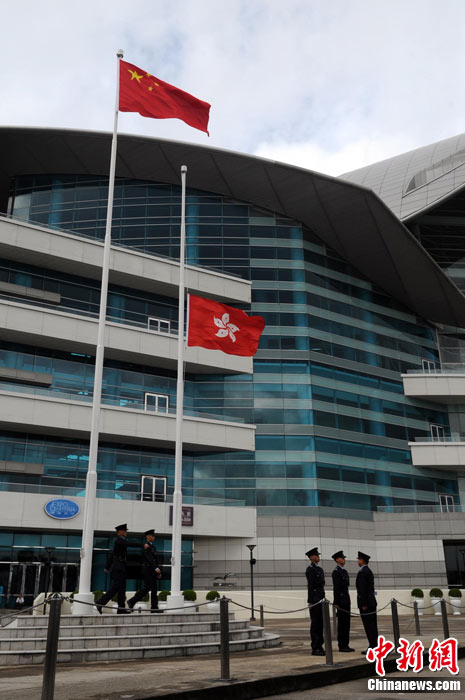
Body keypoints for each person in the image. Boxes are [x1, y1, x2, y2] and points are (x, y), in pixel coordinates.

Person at [95, 524, 131, 614]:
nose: (126, 532)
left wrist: (107, 567)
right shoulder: (119, 541)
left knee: (122, 589)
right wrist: (142, 545)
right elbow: (126, 545)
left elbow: (113, 555)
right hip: (118, 569)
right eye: (124, 531)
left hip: (121, 568)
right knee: (115, 587)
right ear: (120, 532)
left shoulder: (121, 541)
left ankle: (121, 608)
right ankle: (100, 602)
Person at [128, 529, 163, 613]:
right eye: (152, 536)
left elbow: (155, 560)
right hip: (147, 570)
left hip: (153, 571)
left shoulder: (153, 546)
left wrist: (158, 571)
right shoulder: (146, 546)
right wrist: (156, 569)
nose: (154, 537)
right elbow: (149, 559)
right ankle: (132, 601)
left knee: (154, 590)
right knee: (147, 588)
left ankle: (154, 608)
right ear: (148, 536)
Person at [331, 550, 354, 652]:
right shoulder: (336, 572)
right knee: (342, 623)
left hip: (346, 599)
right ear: (337, 560)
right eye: (342, 558)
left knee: (346, 623)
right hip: (340, 600)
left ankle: (346, 644)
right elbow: (336, 588)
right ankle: (342, 645)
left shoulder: (344, 571)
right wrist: (336, 602)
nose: (344, 560)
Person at [356, 550, 378, 652]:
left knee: (369, 626)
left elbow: (363, 589)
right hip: (371, 602)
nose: (358, 561)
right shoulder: (368, 571)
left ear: (362, 560)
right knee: (373, 625)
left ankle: (372, 646)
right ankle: (375, 645)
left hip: (366, 604)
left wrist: (364, 603)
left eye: (359, 559)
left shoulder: (362, 572)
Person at [305, 547, 325, 656]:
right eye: (316, 555)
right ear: (311, 557)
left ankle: (320, 645)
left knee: (321, 624)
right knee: (315, 624)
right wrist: (310, 601)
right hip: (315, 599)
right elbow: (311, 586)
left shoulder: (319, 569)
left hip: (321, 598)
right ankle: (315, 647)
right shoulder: (310, 569)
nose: (318, 557)